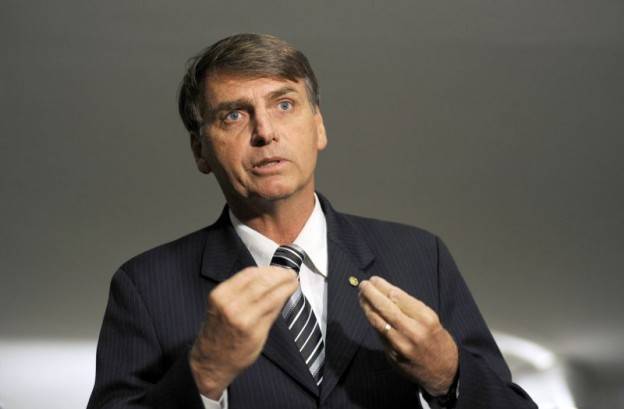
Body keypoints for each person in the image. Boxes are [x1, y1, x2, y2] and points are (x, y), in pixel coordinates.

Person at [87, 33, 536, 409]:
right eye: (234, 115)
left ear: (318, 126)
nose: (265, 132)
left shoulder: (420, 257)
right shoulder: (144, 287)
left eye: (284, 105)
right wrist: (203, 373)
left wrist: (448, 374)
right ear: (200, 151)